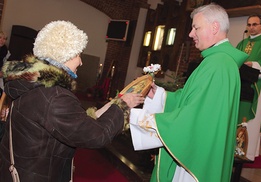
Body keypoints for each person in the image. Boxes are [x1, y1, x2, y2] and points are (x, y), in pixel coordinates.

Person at [0, 20, 144, 181]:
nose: (81, 62)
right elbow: (98, 136)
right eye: (78, 54)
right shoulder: (54, 97)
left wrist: (115, 103)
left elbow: (78, 122)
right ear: (64, 54)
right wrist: (123, 107)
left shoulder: (33, 84)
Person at [129, 3, 248, 182]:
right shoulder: (217, 61)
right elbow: (192, 100)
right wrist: (160, 95)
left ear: (214, 27)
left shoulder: (218, 65)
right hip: (202, 149)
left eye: (196, 27)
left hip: (197, 158)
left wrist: (141, 120)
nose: (191, 33)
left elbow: (195, 118)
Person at [236, 14, 261, 161]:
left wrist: (254, 65)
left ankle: (248, 152)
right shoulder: (242, 43)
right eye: (249, 25)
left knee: (252, 120)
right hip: (241, 86)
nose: (251, 28)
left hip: (258, 86)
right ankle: (234, 150)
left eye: (254, 24)